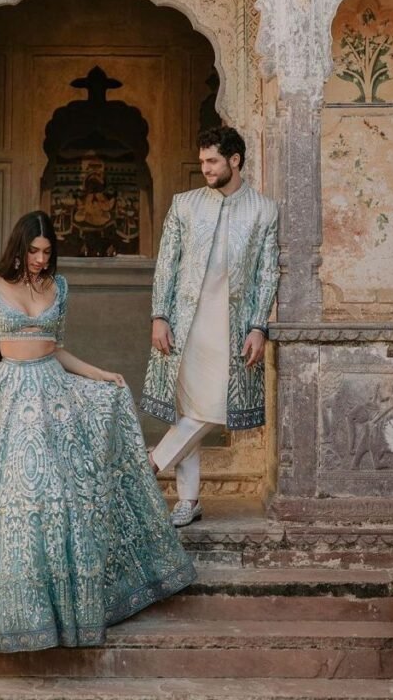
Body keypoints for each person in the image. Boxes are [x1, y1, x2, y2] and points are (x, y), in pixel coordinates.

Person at [0, 210, 194, 651]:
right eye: (34, 251)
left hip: (53, 392)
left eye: (47, 252)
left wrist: (100, 373)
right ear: (18, 248)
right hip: (8, 393)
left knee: (59, 495)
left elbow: (57, 349)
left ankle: (62, 606)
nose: (41, 259)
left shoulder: (58, 287)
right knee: (16, 498)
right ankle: (13, 607)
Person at [142, 126, 280, 527]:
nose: (204, 167)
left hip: (232, 329)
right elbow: (166, 264)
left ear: (234, 160)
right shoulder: (184, 205)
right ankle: (188, 501)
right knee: (187, 411)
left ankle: (150, 465)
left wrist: (258, 326)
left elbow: (267, 273)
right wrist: (159, 316)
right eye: (202, 161)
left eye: (212, 161)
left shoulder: (263, 210)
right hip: (186, 326)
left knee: (213, 407)